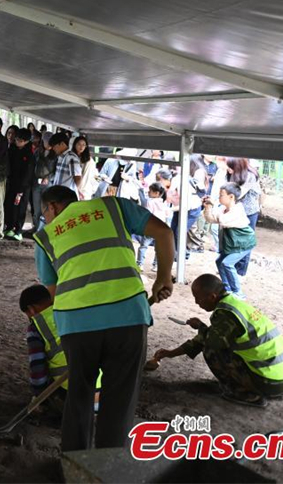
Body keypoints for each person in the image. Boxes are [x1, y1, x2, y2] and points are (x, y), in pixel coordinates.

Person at [33, 186, 174, 451]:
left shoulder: (45, 237)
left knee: (79, 394)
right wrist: (163, 278)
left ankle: (75, 464)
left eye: (45, 214)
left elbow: (53, 293)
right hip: (128, 318)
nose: (47, 219)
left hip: (76, 325)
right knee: (119, 400)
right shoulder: (113, 207)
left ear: (51, 208)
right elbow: (164, 232)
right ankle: (108, 467)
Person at [152, 274, 283, 407]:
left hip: (270, 381)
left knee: (211, 350)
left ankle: (247, 395)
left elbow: (208, 341)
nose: (197, 303)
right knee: (220, 344)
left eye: (198, 298)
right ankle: (266, 388)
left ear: (212, 296)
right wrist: (173, 351)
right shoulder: (236, 304)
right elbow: (214, 334)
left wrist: (199, 329)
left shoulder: (226, 314)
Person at [20, 284, 101, 415]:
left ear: (31, 309)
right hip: (101, 390)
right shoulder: (71, 309)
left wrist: (38, 396)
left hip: (72, 394)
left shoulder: (36, 327)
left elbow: (37, 368)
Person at [202, 183, 256, 298]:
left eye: (221, 195)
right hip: (232, 243)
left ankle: (238, 292)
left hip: (244, 244)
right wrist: (208, 207)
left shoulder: (237, 210)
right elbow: (211, 218)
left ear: (231, 197)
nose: (219, 197)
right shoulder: (223, 209)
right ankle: (227, 289)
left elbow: (223, 221)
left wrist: (213, 206)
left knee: (227, 263)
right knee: (219, 262)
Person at [226, 158, 262, 277]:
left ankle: (240, 271)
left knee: (245, 242)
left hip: (249, 212)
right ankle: (232, 268)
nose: (228, 169)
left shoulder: (250, 176)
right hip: (236, 211)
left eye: (230, 167)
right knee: (234, 240)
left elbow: (239, 194)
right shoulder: (232, 174)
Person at [169, 158, 204, 260]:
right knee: (173, 229)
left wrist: (170, 209)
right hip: (180, 206)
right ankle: (177, 253)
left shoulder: (193, 176)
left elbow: (187, 205)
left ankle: (182, 254)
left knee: (179, 231)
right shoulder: (177, 178)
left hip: (191, 208)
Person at [4, 128, 34, 240]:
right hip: (12, 183)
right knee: (9, 206)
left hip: (23, 187)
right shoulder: (12, 149)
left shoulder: (29, 154)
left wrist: (21, 189)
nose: (17, 142)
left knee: (20, 207)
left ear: (26, 141)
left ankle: (19, 230)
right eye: (16, 139)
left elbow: (28, 173)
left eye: (20, 140)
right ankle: (10, 227)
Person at [135, 183, 168, 270]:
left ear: (156, 193)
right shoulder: (164, 203)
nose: (148, 192)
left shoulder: (150, 202)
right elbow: (166, 215)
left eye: (150, 191)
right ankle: (156, 265)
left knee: (143, 246)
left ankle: (139, 264)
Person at [31, 132, 56, 231]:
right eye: (46, 141)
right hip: (36, 183)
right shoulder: (37, 152)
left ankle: (45, 230)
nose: (48, 144)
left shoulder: (55, 155)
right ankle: (36, 228)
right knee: (37, 209)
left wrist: (48, 178)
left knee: (46, 208)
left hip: (48, 185)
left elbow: (56, 170)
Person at [73, 136, 98, 201]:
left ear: (86, 147)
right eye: (79, 144)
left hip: (84, 191)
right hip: (73, 189)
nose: (81, 147)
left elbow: (85, 177)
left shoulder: (89, 160)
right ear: (74, 144)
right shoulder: (72, 157)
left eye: (83, 145)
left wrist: (79, 191)